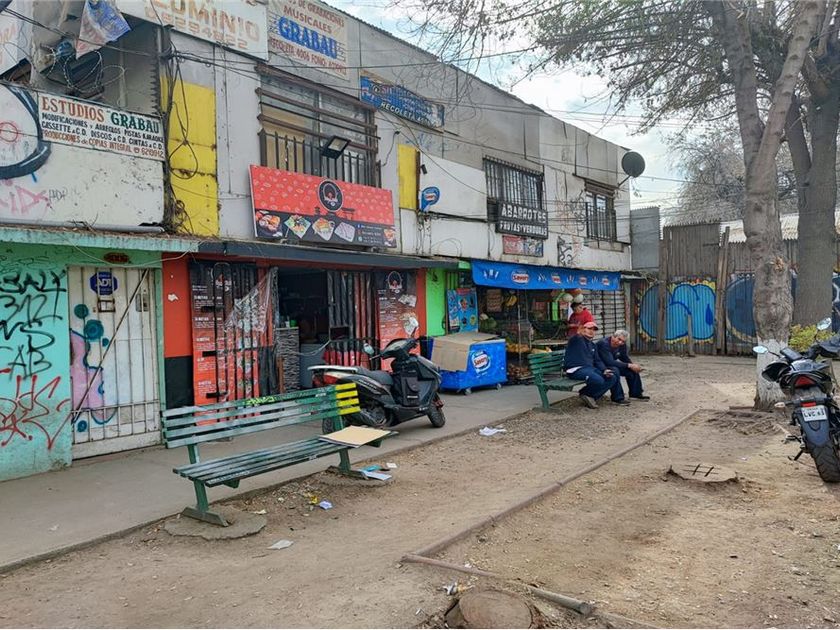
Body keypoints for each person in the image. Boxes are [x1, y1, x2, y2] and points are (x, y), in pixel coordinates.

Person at [564, 321, 626, 409]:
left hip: (589, 369)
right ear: (583, 329)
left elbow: (597, 360)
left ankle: (590, 395)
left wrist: (604, 370)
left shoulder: (592, 345)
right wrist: (578, 333)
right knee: (598, 380)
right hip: (575, 369)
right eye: (589, 328)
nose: (591, 331)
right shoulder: (577, 340)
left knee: (612, 377)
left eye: (594, 330)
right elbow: (575, 337)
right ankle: (585, 393)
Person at [595, 329, 650, 401]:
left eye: (623, 341)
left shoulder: (622, 345)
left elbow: (624, 357)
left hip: (610, 364)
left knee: (632, 370)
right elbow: (609, 362)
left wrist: (633, 366)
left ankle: (635, 394)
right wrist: (629, 365)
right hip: (599, 365)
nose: (620, 342)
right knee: (615, 371)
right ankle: (618, 398)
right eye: (619, 339)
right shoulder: (603, 343)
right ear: (613, 336)